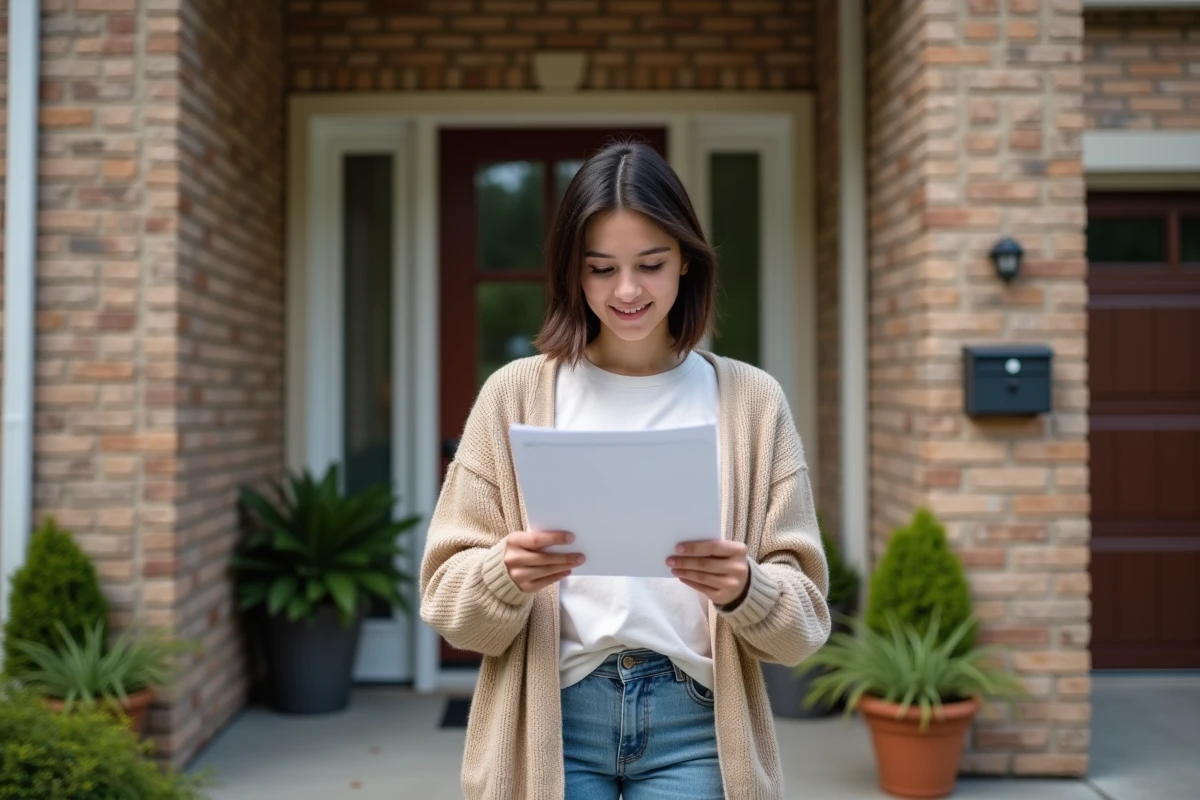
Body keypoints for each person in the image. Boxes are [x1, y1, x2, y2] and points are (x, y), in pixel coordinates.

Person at [418, 140, 831, 800]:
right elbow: (447, 603)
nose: (628, 290)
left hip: (697, 728)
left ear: (688, 264)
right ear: (572, 275)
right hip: (552, 723)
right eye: (602, 268)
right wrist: (505, 575)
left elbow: (804, 626)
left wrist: (744, 588)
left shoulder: (752, 404)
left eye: (650, 264)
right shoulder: (517, 393)